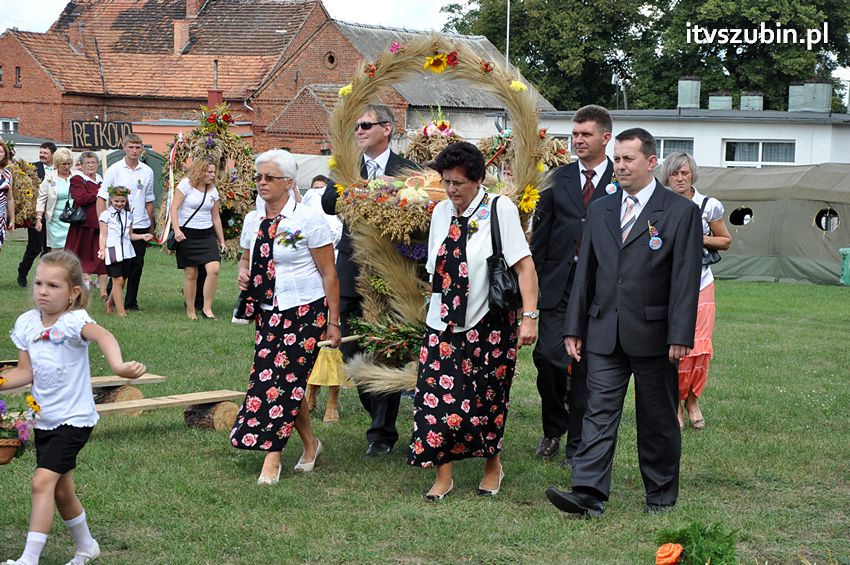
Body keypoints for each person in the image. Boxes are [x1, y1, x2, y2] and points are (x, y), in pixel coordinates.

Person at [545, 128, 702, 516]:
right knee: (597, 412)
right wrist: (573, 327)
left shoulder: (681, 212)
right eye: (616, 158)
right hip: (603, 331)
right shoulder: (601, 208)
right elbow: (587, 273)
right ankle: (587, 494)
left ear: (651, 162)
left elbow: (685, 278)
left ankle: (661, 495)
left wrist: (680, 334)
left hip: (655, 334)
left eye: (628, 159)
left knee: (656, 419)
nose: (620, 165)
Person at [407, 142, 538, 500]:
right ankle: (443, 475)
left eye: (459, 183)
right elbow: (436, 268)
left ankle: (492, 465)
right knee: (435, 400)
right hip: (442, 324)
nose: (451, 190)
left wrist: (529, 318)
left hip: (489, 324)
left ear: (478, 180)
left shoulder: (500, 208)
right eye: (447, 182)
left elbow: (524, 266)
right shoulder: (440, 213)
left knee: (487, 399)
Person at [0, 250, 146, 565]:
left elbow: (103, 335)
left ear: (73, 293)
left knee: (41, 481)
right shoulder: (26, 323)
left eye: (53, 285)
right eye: (39, 283)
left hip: (74, 419)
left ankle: (28, 559)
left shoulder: (73, 321)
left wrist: (118, 365)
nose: (42, 290)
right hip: (45, 420)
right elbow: (25, 372)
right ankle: (87, 546)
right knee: (61, 491)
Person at [230, 149, 342, 484]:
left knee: (285, 381)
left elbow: (329, 274)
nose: (262, 183)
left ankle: (272, 458)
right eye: (258, 177)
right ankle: (310, 444)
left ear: (289, 182)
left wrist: (333, 322)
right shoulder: (254, 220)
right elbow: (246, 260)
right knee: (272, 379)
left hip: (305, 309)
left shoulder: (307, 219)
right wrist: (243, 274)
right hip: (268, 311)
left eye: (269, 178)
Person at [321, 103, 419, 457]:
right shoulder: (348, 166)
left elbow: (420, 209)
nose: (359, 131)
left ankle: (381, 434)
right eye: (356, 127)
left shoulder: (408, 169)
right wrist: (360, 187)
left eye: (365, 125)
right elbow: (329, 203)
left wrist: (393, 189)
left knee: (386, 351)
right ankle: (376, 406)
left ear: (387, 128)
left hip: (391, 269)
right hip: (351, 267)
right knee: (351, 350)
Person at [530, 104, 615, 464]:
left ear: (605, 138)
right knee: (548, 358)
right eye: (575, 134)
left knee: (586, 370)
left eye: (586, 134)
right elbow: (540, 239)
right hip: (557, 287)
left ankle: (576, 445)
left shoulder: (621, 178)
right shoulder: (556, 179)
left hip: (599, 291)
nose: (578, 140)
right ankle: (554, 427)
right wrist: (530, 287)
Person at [659, 152, 732, 431]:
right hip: (666, 285)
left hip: (701, 283)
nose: (679, 178)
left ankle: (692, 400)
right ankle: (675, 404)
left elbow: (725, 241)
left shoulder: (708, 205)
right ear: (666, 175)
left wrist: (697, 238)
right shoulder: (658, 204)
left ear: (692, 176)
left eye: (684, 173)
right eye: (674, 173)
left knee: (698, 348)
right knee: (673, 347)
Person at [97, 134, 154, 311]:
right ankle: (112, 297)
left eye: (138, 147)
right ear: (124, 147)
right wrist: (103, 222)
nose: (135, 151)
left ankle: (131, 301)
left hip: (139, 223)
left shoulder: (147, 171)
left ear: (142, 148)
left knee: (136, 265)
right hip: (117, 225)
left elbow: (149, 199)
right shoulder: (115, 169)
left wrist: (150, 223)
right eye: (131, 147)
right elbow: (102, 197)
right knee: (118, 264)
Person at [169, 159, 225, 320]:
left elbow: (216, 218)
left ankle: (207, 308)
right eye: (209, 171)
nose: (212, 174)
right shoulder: (185, 185)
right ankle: (191, 310)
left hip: (207, 235)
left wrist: (221, 240)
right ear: (199, 171)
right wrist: (177, 229)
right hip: (187, 234)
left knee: (214, 269)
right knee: (191, 274)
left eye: (214, 171)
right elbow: (174, 208)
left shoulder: (213, 190)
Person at [97, 186, 152, 317]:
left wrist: (142, 236)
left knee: (122, 281)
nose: (119, 204)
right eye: (116, 201)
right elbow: (103, 235)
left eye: (122, 201)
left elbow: (130, 235)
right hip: (112, 250)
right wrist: (102, 249)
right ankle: (122, 312)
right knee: (118, 280)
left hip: (127, 251)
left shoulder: (129, 215)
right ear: (111, 200)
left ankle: (109, 303)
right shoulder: (106, 215)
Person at [65, 152, 107, 299]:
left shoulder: (102, 179)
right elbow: (81, 198)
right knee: (80, 256)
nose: (91, 165)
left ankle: (103, 289)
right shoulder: (77, 179)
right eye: (87, 163)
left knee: (101, 255)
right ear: (81, 165)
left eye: (93, 162)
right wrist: (98, 191)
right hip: (83, 224)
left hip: (100, 224)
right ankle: (82, 283)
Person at [17, 142, 55, 287]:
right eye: (41, 152)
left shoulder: (58, 169)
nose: (42, 155)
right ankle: (22, 272)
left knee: (48, 249)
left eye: (45, 153)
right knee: (34, 248)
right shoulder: (31, 168)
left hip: (53, 215)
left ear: (53, 154)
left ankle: (44, 278)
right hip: (36, 214)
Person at [35, 148, 74, 251]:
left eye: (69, 164)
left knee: (73, 250)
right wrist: (38, 219)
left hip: (74, 219)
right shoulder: (49, 178)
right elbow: (41, 199)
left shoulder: (77, 177)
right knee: (57, 252)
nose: (67, 167)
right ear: (57, 164)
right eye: (63, 164)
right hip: (55, 220)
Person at [0, 139, 16, 249]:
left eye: (0, 152)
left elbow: (10, 198)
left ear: (5, 154)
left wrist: (12, 219)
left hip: (1, 217)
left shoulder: (7, 173)